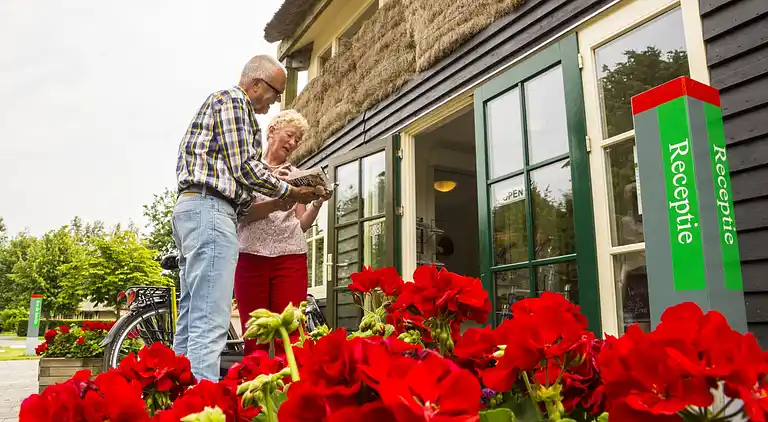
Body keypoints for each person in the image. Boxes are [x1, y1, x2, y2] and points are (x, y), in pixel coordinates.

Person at [172, 56, 321, 381]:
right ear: (257, 84)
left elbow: (234, 173)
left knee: (191, 317)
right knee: (211, 321)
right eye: (275, 93)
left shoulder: (218, 106)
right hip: (211, 212)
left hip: (194, 207)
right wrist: (289, 193)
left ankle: (180, 398)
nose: (274, 103)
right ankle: (202, 404)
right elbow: (244, 168)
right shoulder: (233, 102)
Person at [234, 109, 330, 356]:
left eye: (297, 140)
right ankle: (257, 391)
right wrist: (276, 198)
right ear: (272, 131)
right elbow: (241, 216)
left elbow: (302, 224)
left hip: (290, 259)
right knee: (255, 334)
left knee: (292, 333)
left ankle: (293, 390)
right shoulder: (249, 171)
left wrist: (317, 202)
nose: (293, 143)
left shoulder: (297, 176)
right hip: (251, 257)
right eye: (290, 135)